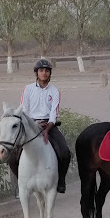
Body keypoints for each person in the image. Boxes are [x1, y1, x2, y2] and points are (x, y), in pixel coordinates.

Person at [20, 59, 71, 193]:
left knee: (65, 152)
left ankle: (61, 181)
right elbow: (25, 110)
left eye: (47, 70)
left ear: (50, 73)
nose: (44, 73)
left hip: (49, 125)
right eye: (41, 70)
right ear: (36, 73)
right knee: (14, 153)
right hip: (31, 124)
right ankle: (19, 185)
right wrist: (34, 124)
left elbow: (54, 113)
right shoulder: (28, 89)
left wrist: (47, 128)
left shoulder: (55, 91)